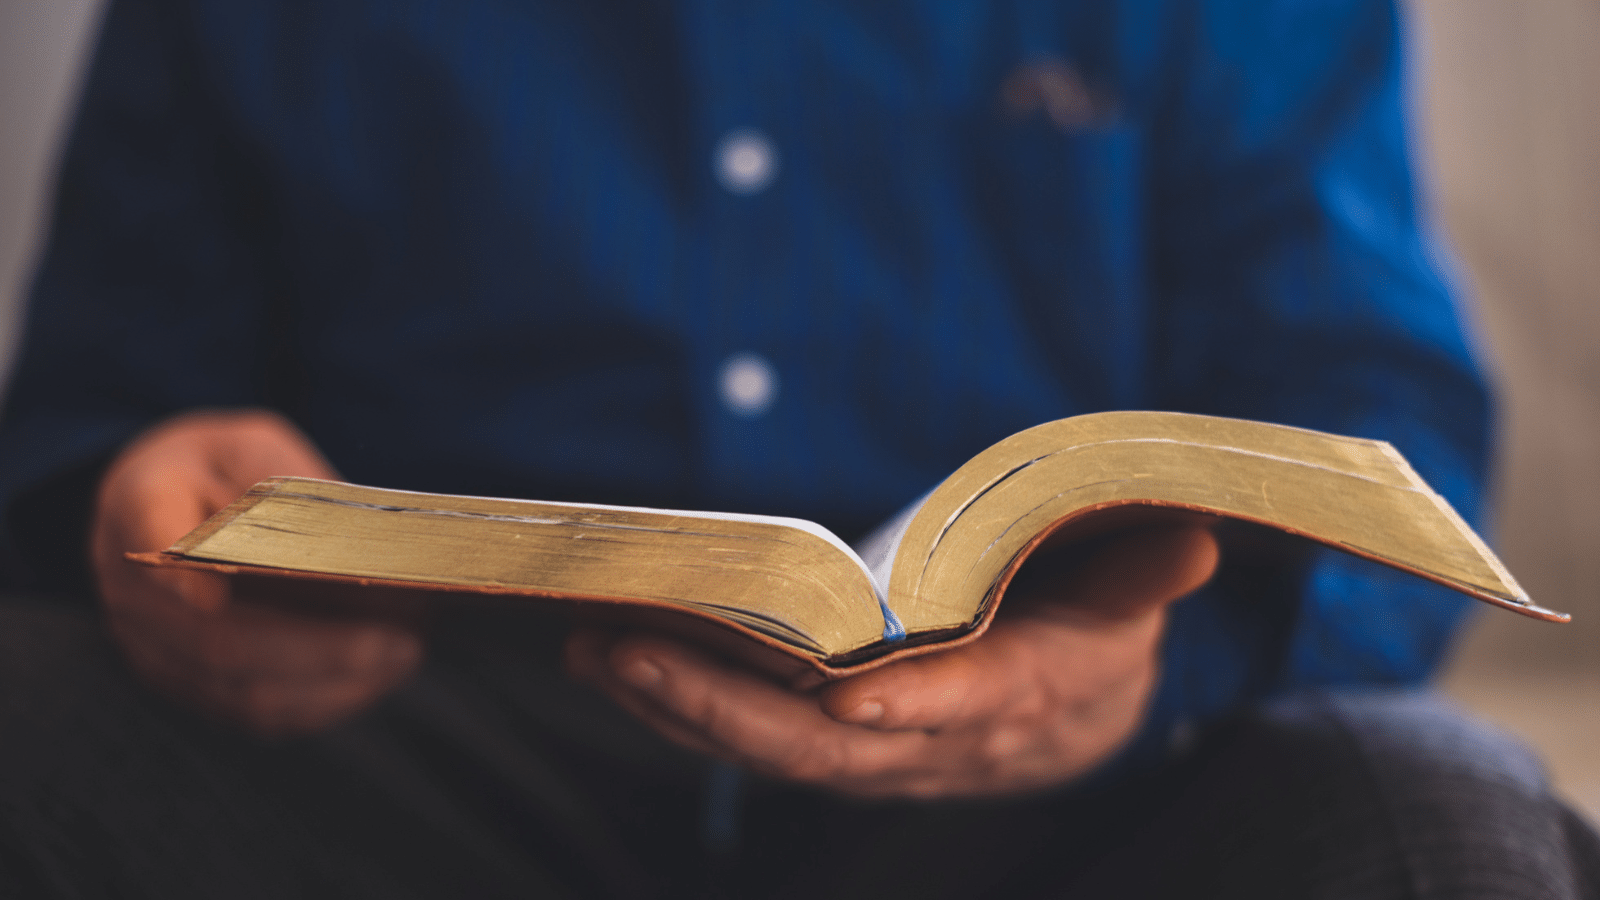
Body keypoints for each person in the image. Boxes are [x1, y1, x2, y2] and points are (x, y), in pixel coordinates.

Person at [0, 0, 1595, 896]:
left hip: (1066, 811)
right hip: (406, 761)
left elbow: (1390, 455)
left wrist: (1141, 675)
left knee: (1443, 825)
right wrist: (144, 512)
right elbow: (92, 413)